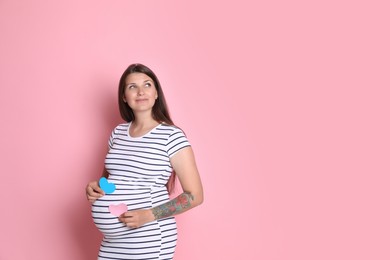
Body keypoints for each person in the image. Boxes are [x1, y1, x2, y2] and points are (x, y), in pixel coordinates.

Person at [85, 63, 203, 260]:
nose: (140, 91)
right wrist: (95, 187)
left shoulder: (171, 136)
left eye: (147, 85)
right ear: (124, 96)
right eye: (132, 87)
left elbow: (195, 196)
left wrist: (149, 215)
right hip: (112, 243)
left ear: (157, 93)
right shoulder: (118, 133)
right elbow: (111, 182)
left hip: (149, 238)